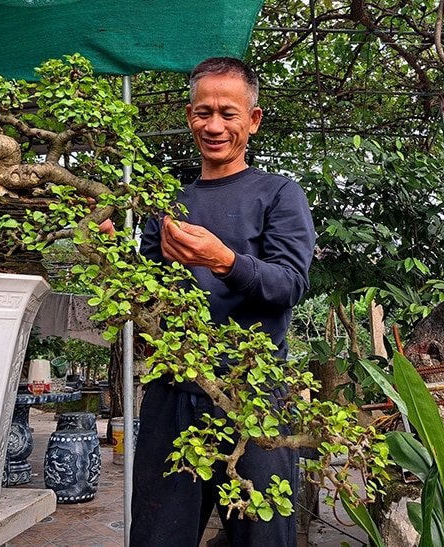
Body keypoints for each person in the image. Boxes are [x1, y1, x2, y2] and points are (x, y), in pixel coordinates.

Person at [131, 57, 316, 547]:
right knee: (157, 535)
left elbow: (290, 284)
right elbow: (147, 294)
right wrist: (108, 252)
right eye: (203, 112)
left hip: (253, 392)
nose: (214, 126)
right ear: (189, 114)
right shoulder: (168, 204)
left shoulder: (279, 194)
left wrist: (225, 260)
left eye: (228, 113)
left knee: (263, 539)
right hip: (173, 393)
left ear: (252, 120)